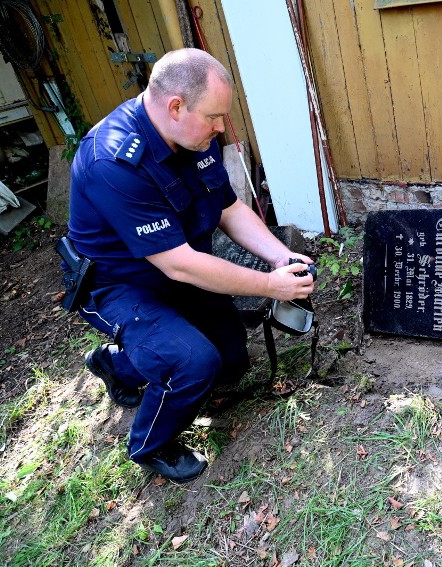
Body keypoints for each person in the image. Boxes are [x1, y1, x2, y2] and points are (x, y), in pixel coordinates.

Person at [65, 48, 315, 483]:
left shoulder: (193, 137)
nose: (222, 128)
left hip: (175, 270)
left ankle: (116, 365)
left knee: (230, 362)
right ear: (176, 106)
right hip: (119, 286)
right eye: (214, 117)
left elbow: (228, 207)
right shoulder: (113, 161)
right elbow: (180, 266)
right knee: (193, 362)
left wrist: (280, 257)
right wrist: (270, 286)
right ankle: (151, 444)